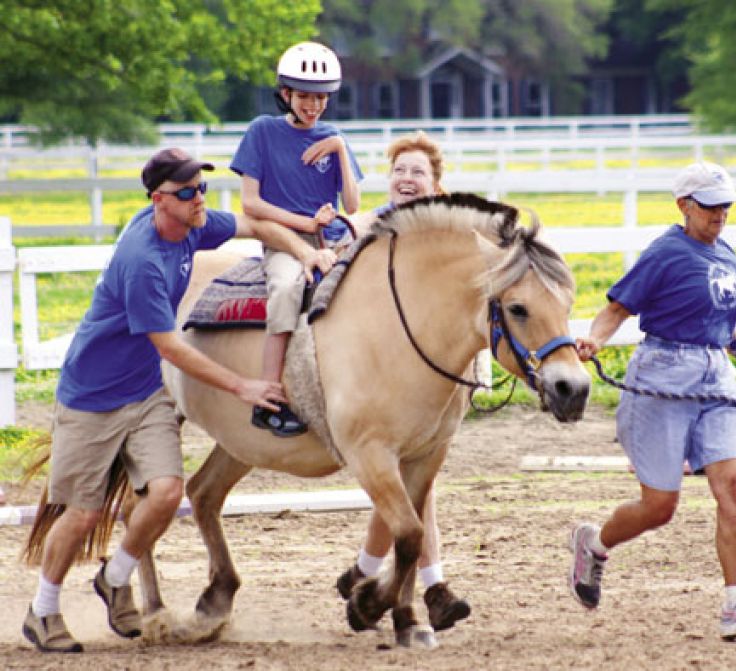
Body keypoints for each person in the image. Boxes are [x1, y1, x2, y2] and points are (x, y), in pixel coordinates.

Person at [21, 147, 310, 654]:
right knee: (83, 514)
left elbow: (257, 227)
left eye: (200, 187)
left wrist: (306, 252)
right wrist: (243, 387)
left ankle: (116, 576)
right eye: (186, 192)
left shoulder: (193, 223)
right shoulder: (143, 262)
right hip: (92, 397)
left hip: (143, 391)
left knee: (167, 491)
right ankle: (42, 610)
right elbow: (172, 347)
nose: (199, 197)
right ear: (159, 200)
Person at [568, 161, 736, 641]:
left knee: (735, 488)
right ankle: (596, 544)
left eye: (725, 205)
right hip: (663, 374)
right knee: (660, 506)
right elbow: (617, 307)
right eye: (710, 206)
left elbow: (723, 322)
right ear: (684, 206)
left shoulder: (726, 255)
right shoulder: (666, 253)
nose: (721, 214)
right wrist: (594, 341)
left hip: (717, 377)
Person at [336, 131, 471, 632]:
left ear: (435, 187)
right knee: (412, 481)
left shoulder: (442, 237)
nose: (406, 179)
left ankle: (371, 572)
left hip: (422, 375)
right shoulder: (375, 223)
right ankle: (424, 585)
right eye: (399, 171)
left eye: (418, 173)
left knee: (413, 480)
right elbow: (353, 226)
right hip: (377, 373)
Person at [230, 41, 362, 437]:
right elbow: (251, 203)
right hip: (285, 240)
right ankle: (271, 395)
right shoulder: (263, 132)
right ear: (285, 94)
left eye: (321, 97)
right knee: (287, 287)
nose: (313, 105)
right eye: (305, 96)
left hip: (333, 236)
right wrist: (304, 222)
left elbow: (352, 205)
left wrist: (339, 149)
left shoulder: (332, 136)